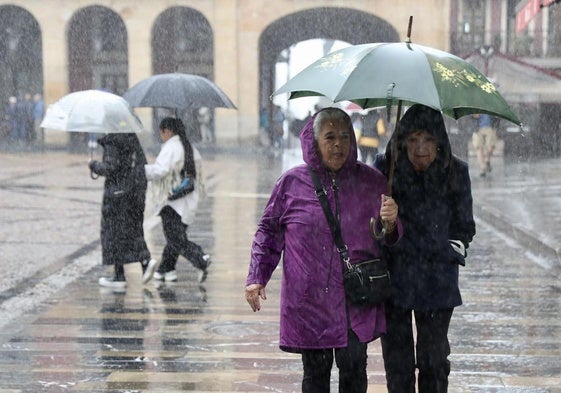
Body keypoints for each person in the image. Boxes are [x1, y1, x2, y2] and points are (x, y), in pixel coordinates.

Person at [245, 107, 401, 393]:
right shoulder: (291, 184)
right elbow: (269, 231)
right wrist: (257, 276)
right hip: (310, 302)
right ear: (314, 141)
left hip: (355, 298)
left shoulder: (372, 182)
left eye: (344, 136)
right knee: (315, 377)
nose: (338, 144)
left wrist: (390, 224)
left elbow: (387, 240)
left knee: (354, 370)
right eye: (329, 137)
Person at [373, 104, 476, 393]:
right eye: (414, 139)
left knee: (434, 362)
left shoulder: (455, 172)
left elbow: (465, 227)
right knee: (398, 365)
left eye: (429, 140)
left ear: (439, 142)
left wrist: (449, 251)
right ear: (402, 139)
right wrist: (385, 223)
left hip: (437, 279)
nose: (421, 149)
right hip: (395, 280)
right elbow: (369, 227)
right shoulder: (385, 168)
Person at [145, 117, 211, 283]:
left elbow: (160, 171)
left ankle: (200, 258)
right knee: (174, 238)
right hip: (188, 201)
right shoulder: (190, 148)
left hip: (171, 201)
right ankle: (166, 270)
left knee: (176, 240)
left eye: (161, 132)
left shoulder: (171, 148)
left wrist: (142, 170)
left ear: (167, 131)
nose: (161, 136)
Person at [89, 133, 159, 290]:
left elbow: (110, 167)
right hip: (134, 192)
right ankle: (123, 272)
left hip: (117, 194)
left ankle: (140, 263)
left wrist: (93, 165)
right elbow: (141, 165)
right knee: (130, 229)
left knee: (114, 232)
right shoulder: (131, 138)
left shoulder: (113, 140)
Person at [472, 113, 497, 177]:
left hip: (490, 127)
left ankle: (486, 160)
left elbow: (497, 117)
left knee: (491, 147)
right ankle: (483, 168)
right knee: (479, 148)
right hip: (477, 128)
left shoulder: (491, 105)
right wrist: (473, 115)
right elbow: (468, 115)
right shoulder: (474, 104)